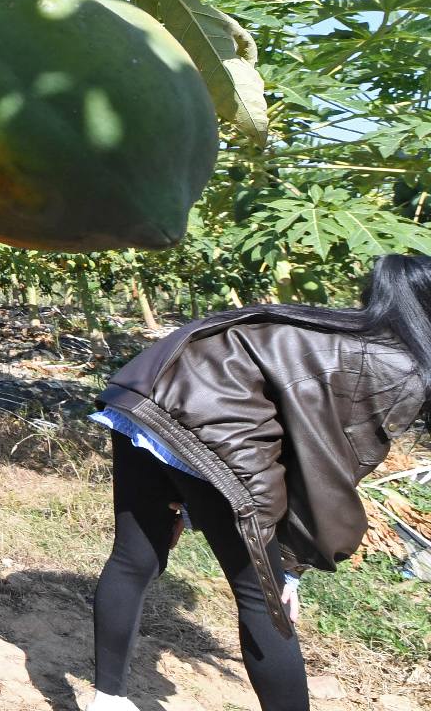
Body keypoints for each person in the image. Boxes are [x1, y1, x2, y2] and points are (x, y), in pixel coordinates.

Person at [87, 254, 431, 711]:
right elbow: (327, 471)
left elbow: (272, 422)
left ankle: (107, 701)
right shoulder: (402, 369)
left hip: (148, 393)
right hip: (206, 418)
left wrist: (188, 495)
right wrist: (291, 562)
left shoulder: (330, 329)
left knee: (134, 557)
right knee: (264, 595)